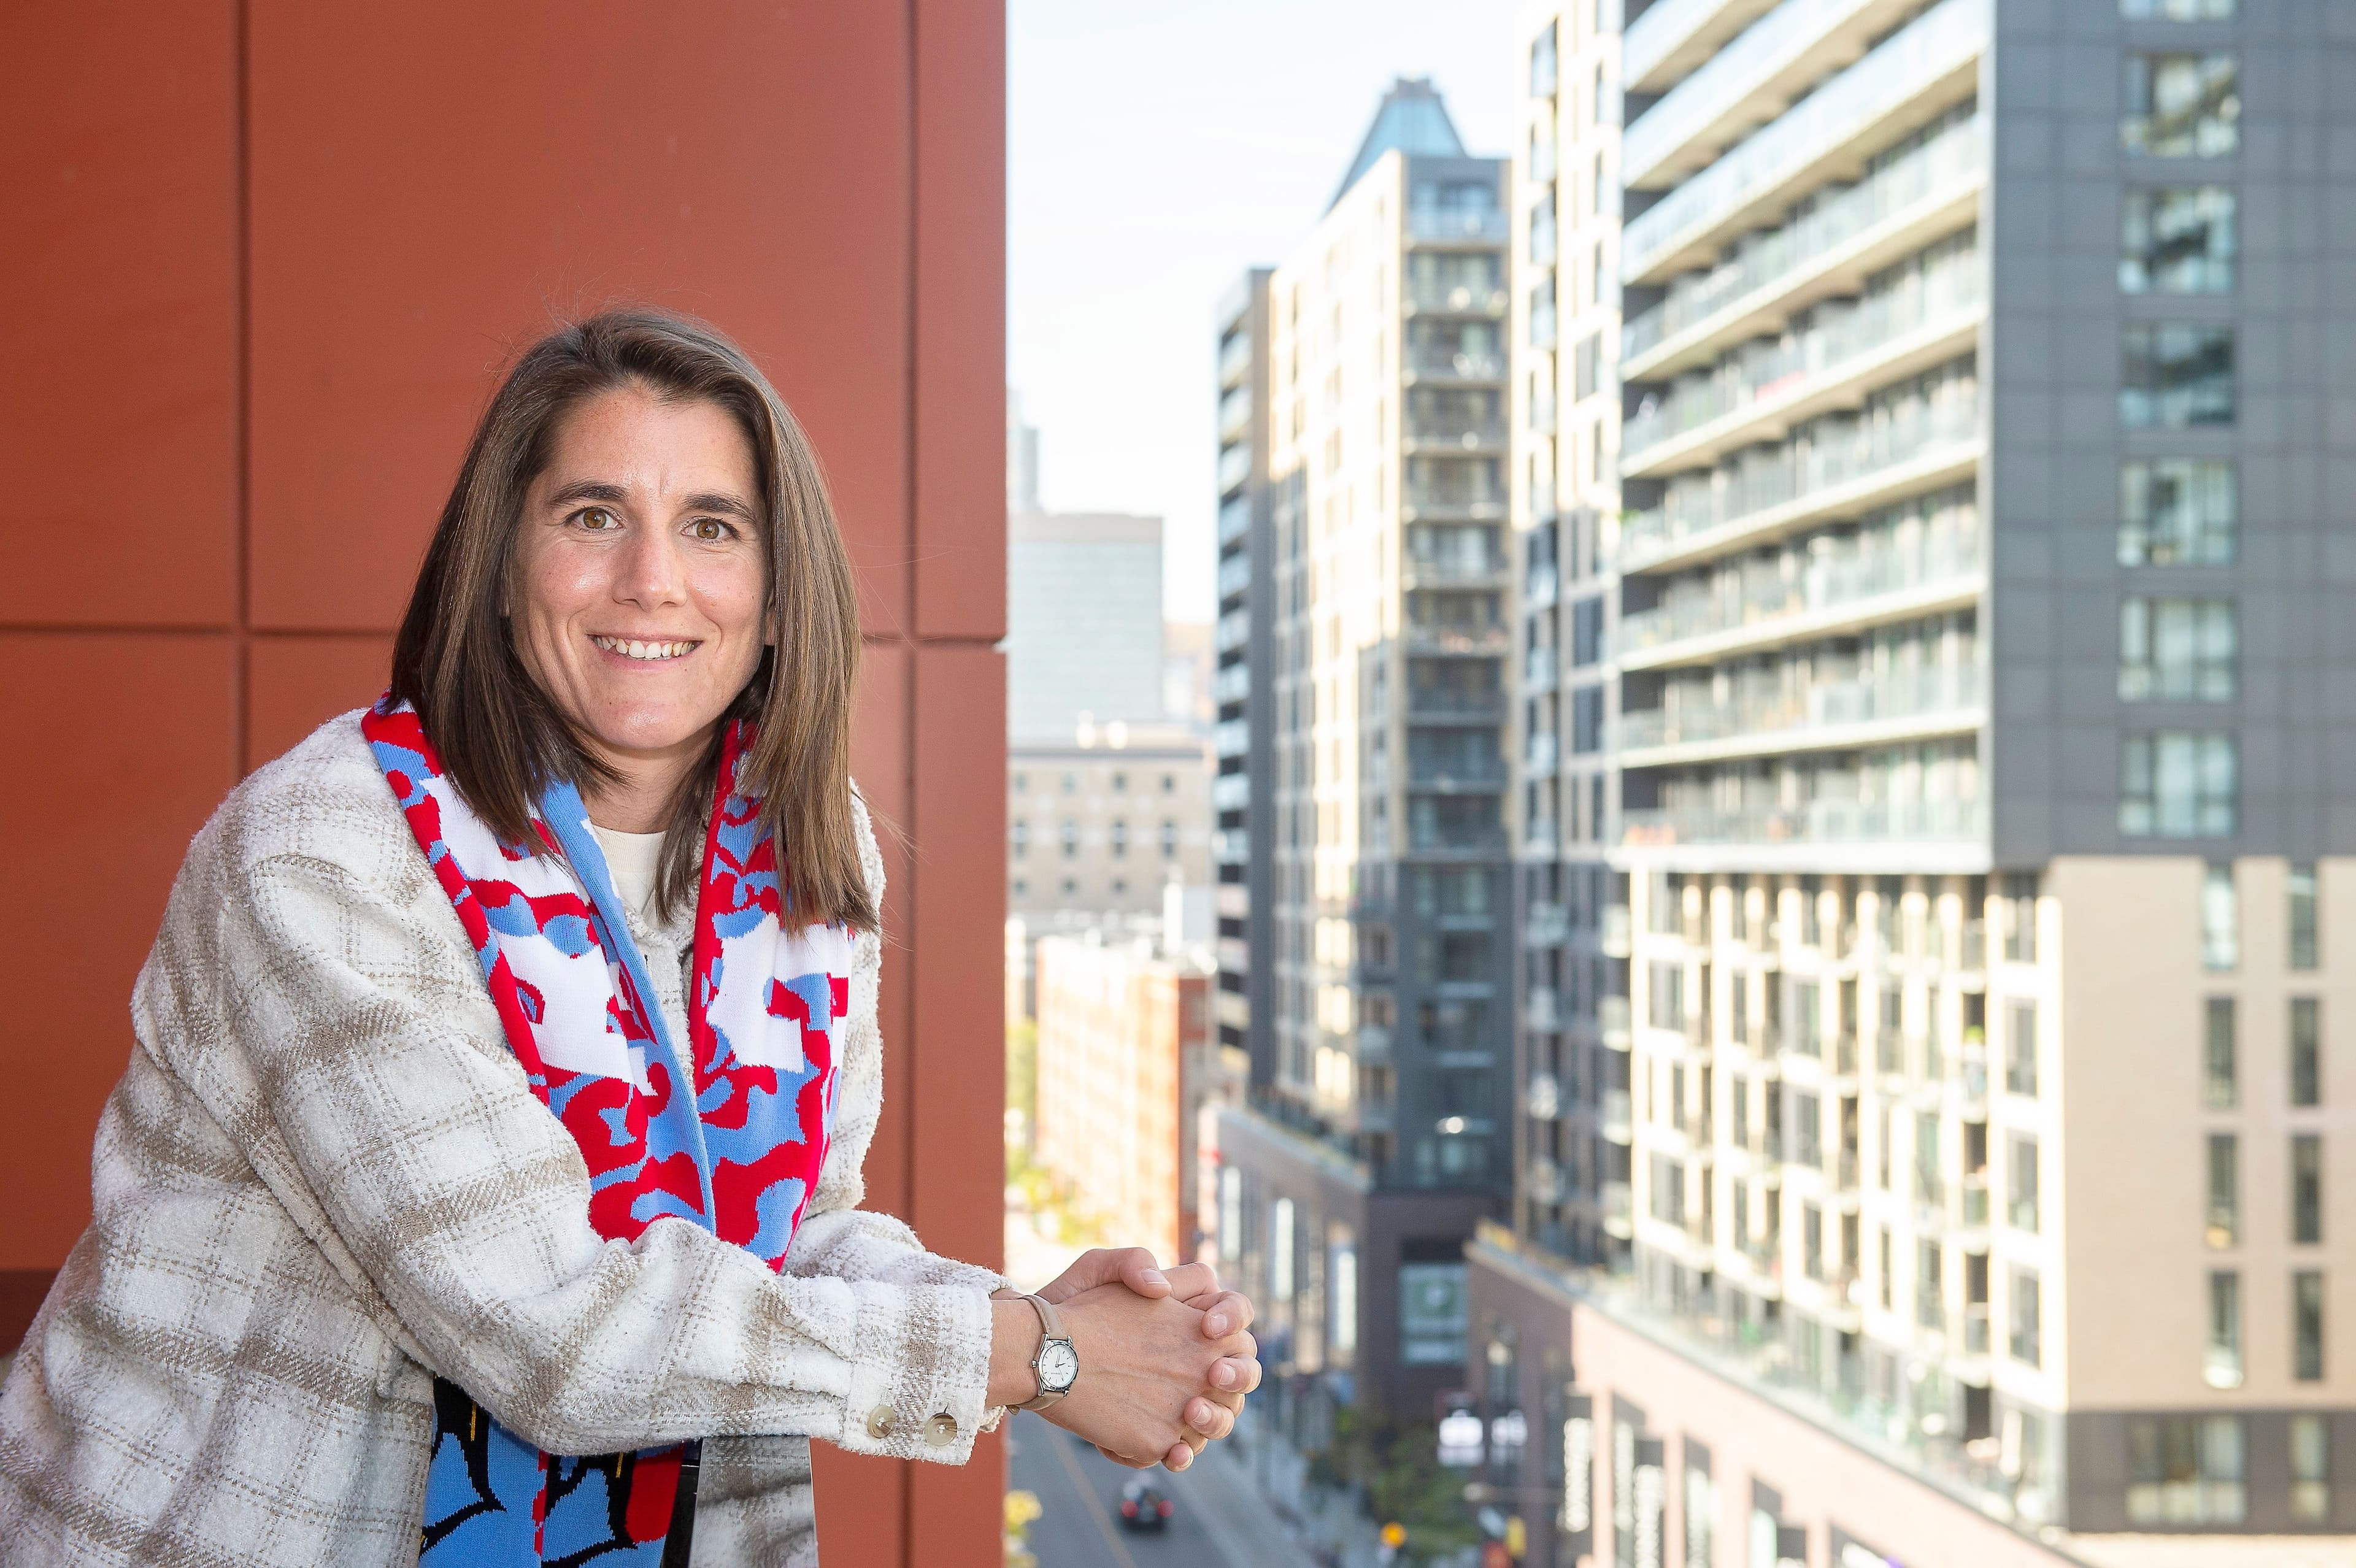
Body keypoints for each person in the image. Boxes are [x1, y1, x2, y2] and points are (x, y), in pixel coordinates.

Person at [0, 308, 1260, 1566]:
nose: (652, 580)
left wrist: (1037, 1321)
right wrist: (1034, 1358)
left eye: (713, 527)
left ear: (778, 595)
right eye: (594, 516)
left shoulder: (807, 859)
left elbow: (792, 1237)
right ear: (503, 568)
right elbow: (552, 1326)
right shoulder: (329, 852)